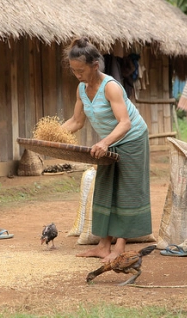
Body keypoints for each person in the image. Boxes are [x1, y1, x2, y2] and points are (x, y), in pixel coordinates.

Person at [61, 37, 152, 263]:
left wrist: (104, 143)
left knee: (126, 192)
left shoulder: (110, 87)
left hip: (132, 139)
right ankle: (103, 246)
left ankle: (119, 247)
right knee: (105, 188)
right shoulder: (81, 89)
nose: (78, 75)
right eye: (73, 71)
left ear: (95, 66)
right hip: (110, 142)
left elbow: (125, 123)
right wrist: (50, 135)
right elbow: (76, 121)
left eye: (81, 70)